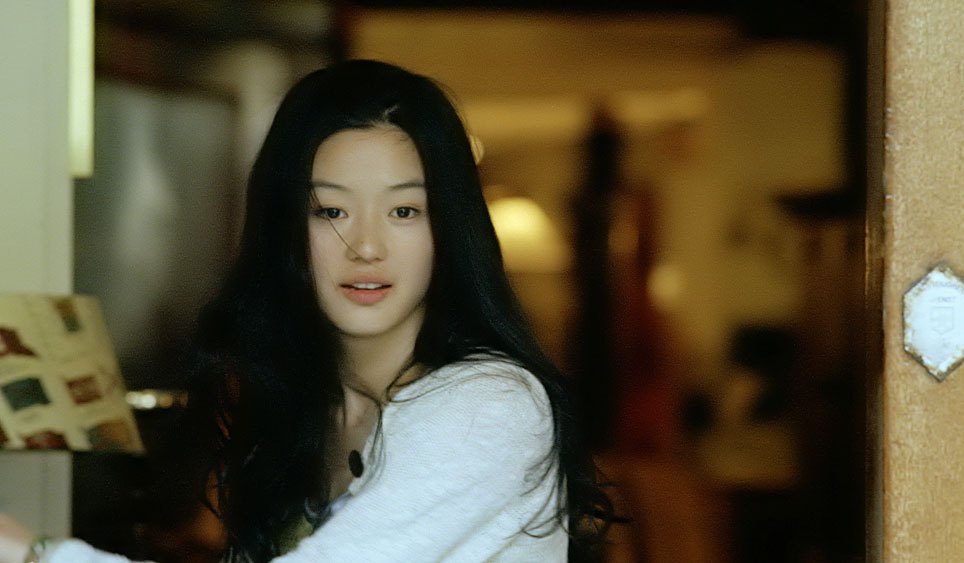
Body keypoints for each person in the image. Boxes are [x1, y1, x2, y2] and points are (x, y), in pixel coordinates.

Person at [0, 59, 612, 562]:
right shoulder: (303, 409)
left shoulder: (490, 403)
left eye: (404, 211)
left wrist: (35, 553)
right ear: (289, 230)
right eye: (331, 211)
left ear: (448, 231)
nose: (366, 246)